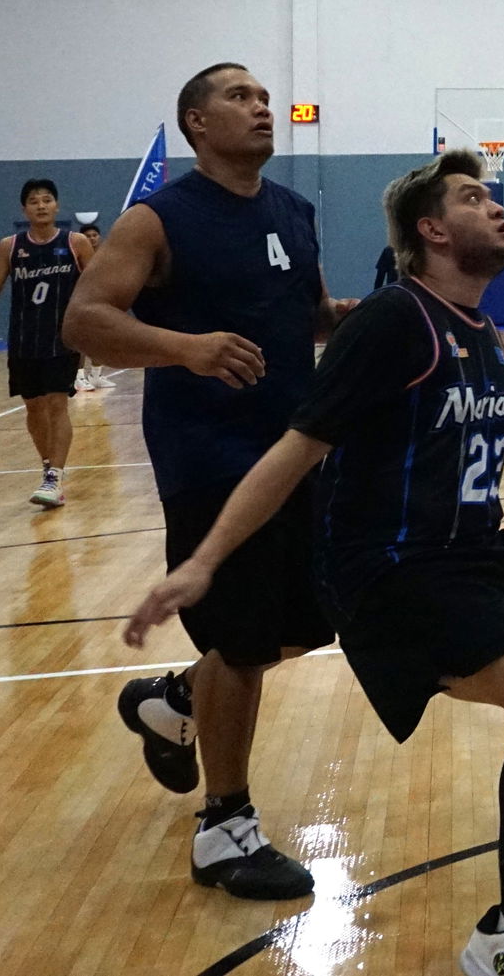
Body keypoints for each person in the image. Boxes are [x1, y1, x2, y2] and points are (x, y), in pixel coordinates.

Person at [123, 150, 504, 976]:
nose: (498, 207)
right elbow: (295, 451)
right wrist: (205, 560)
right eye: (475, 197)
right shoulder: (392, 320)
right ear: (433, 229)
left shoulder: (475, 327)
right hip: (389, 568)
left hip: (470, 545)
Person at [64, 63, 352, 900]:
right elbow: (86, 320)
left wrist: (360, 320)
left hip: (292, 452)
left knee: (311, 623)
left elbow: (309, 316)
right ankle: (225, 827)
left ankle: (175, 700)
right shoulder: (158, 219)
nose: (262, 108)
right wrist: (185, 346)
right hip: (209, 460)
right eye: (240, 97)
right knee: (240, 640)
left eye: (265, 97)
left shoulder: (294, 212)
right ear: (196, 122)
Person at [0, 177, 91, 508]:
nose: (41, 205)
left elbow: (94, 283)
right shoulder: (9, 246)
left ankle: (55, 476)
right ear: (24, 208)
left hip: (62, 339)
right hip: (24, 340)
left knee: (57, 404)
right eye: (34, 201)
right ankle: (47, 466)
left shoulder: (75, 242)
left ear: (57, 205)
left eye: (47, 200)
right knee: (34, 407)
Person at [73, 222, 116, 392]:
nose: (91, 238)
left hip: (101, 302)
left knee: (100, 340)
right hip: (80, 303)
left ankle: (96, 375)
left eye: (94, 235)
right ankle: (78, 377)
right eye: (87, 236)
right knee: (81, 342)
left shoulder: (106, 256)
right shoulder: (75, 257)